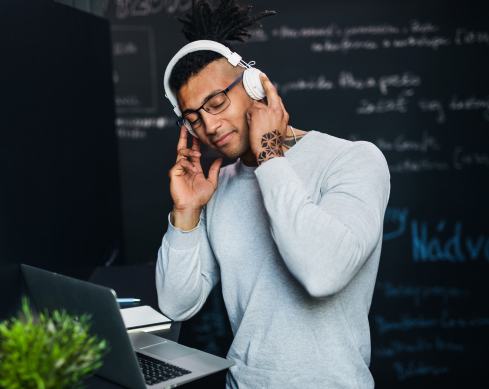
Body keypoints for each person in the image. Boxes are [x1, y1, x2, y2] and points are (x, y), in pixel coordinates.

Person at [155, 1, 391, 387]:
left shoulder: (354, 160)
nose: (209, 126)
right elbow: (177, 304)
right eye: (193, 118)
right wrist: (186, 212)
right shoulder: (218, 186)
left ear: (254, 85)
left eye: (216, 103)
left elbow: (321, 273)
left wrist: (269, 155)